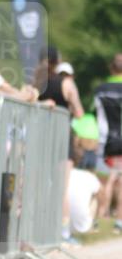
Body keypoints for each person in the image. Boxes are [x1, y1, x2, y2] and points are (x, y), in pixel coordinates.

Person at [36, 47, 84, 242]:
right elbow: (79, 112)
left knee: (40, 185)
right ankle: (63, 233)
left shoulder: (37, 82)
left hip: (41, 137)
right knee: (61, 187)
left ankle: (41, 229)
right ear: (58, 61)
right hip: (62, 138)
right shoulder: (67, 83)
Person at [93, 54, 122, 231]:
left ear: (111, 68)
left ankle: (99, 218)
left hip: (105, 139)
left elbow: (94, 113)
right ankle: (119, 222)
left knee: (104, 181)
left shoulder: (100, 89)